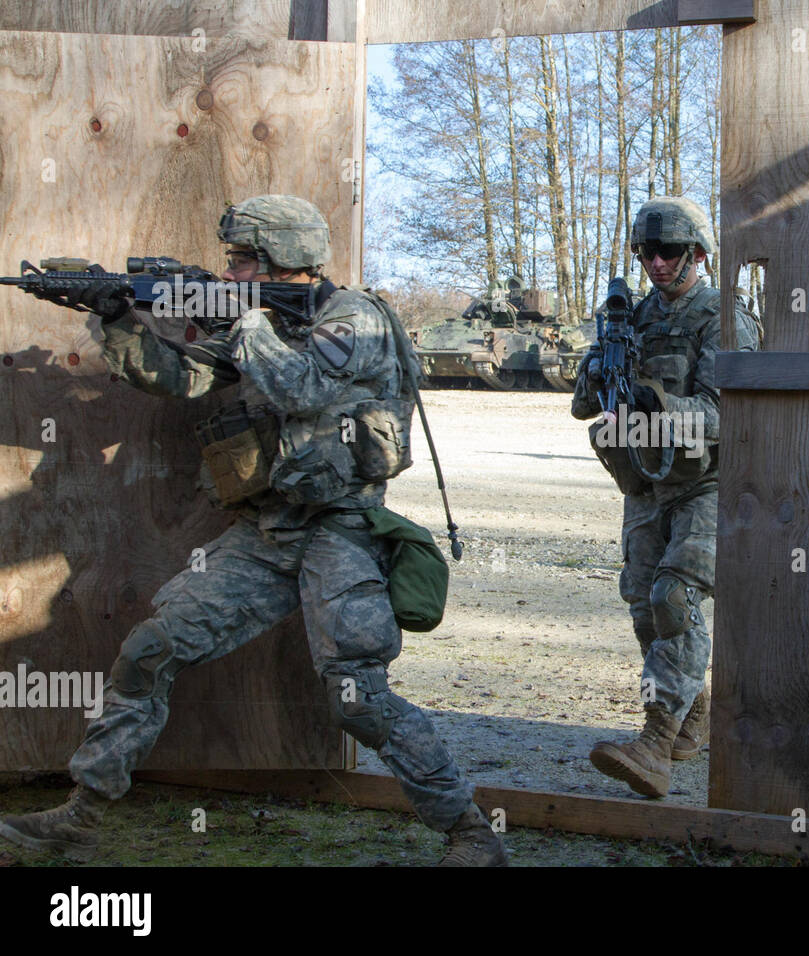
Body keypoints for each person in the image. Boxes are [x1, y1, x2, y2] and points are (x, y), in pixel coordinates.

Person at [0, 195, 506, 866]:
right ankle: (82, 814)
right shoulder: (257, 321)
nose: (230, 272)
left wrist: (247, 319)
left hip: (341, 528)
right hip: (266, 534)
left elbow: (301, 388)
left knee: (356, 695)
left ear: (281, 259)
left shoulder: (355, 318)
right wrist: (116, 316)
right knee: (151, 648)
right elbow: (176, 377)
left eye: (239, 260)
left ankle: (470, 833)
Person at [572, 196, 760, 798]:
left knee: (674, 596)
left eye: (670, 251)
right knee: (642, 606)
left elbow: (729, 412)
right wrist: (598, 370)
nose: (656, 262)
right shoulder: (630, 321)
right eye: (646, 252)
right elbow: (583, 406)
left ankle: (654, 742)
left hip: (706, 483)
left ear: (697, 254)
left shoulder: (724, 317)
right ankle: (691, 710)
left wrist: (658, 403)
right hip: (645, 481)